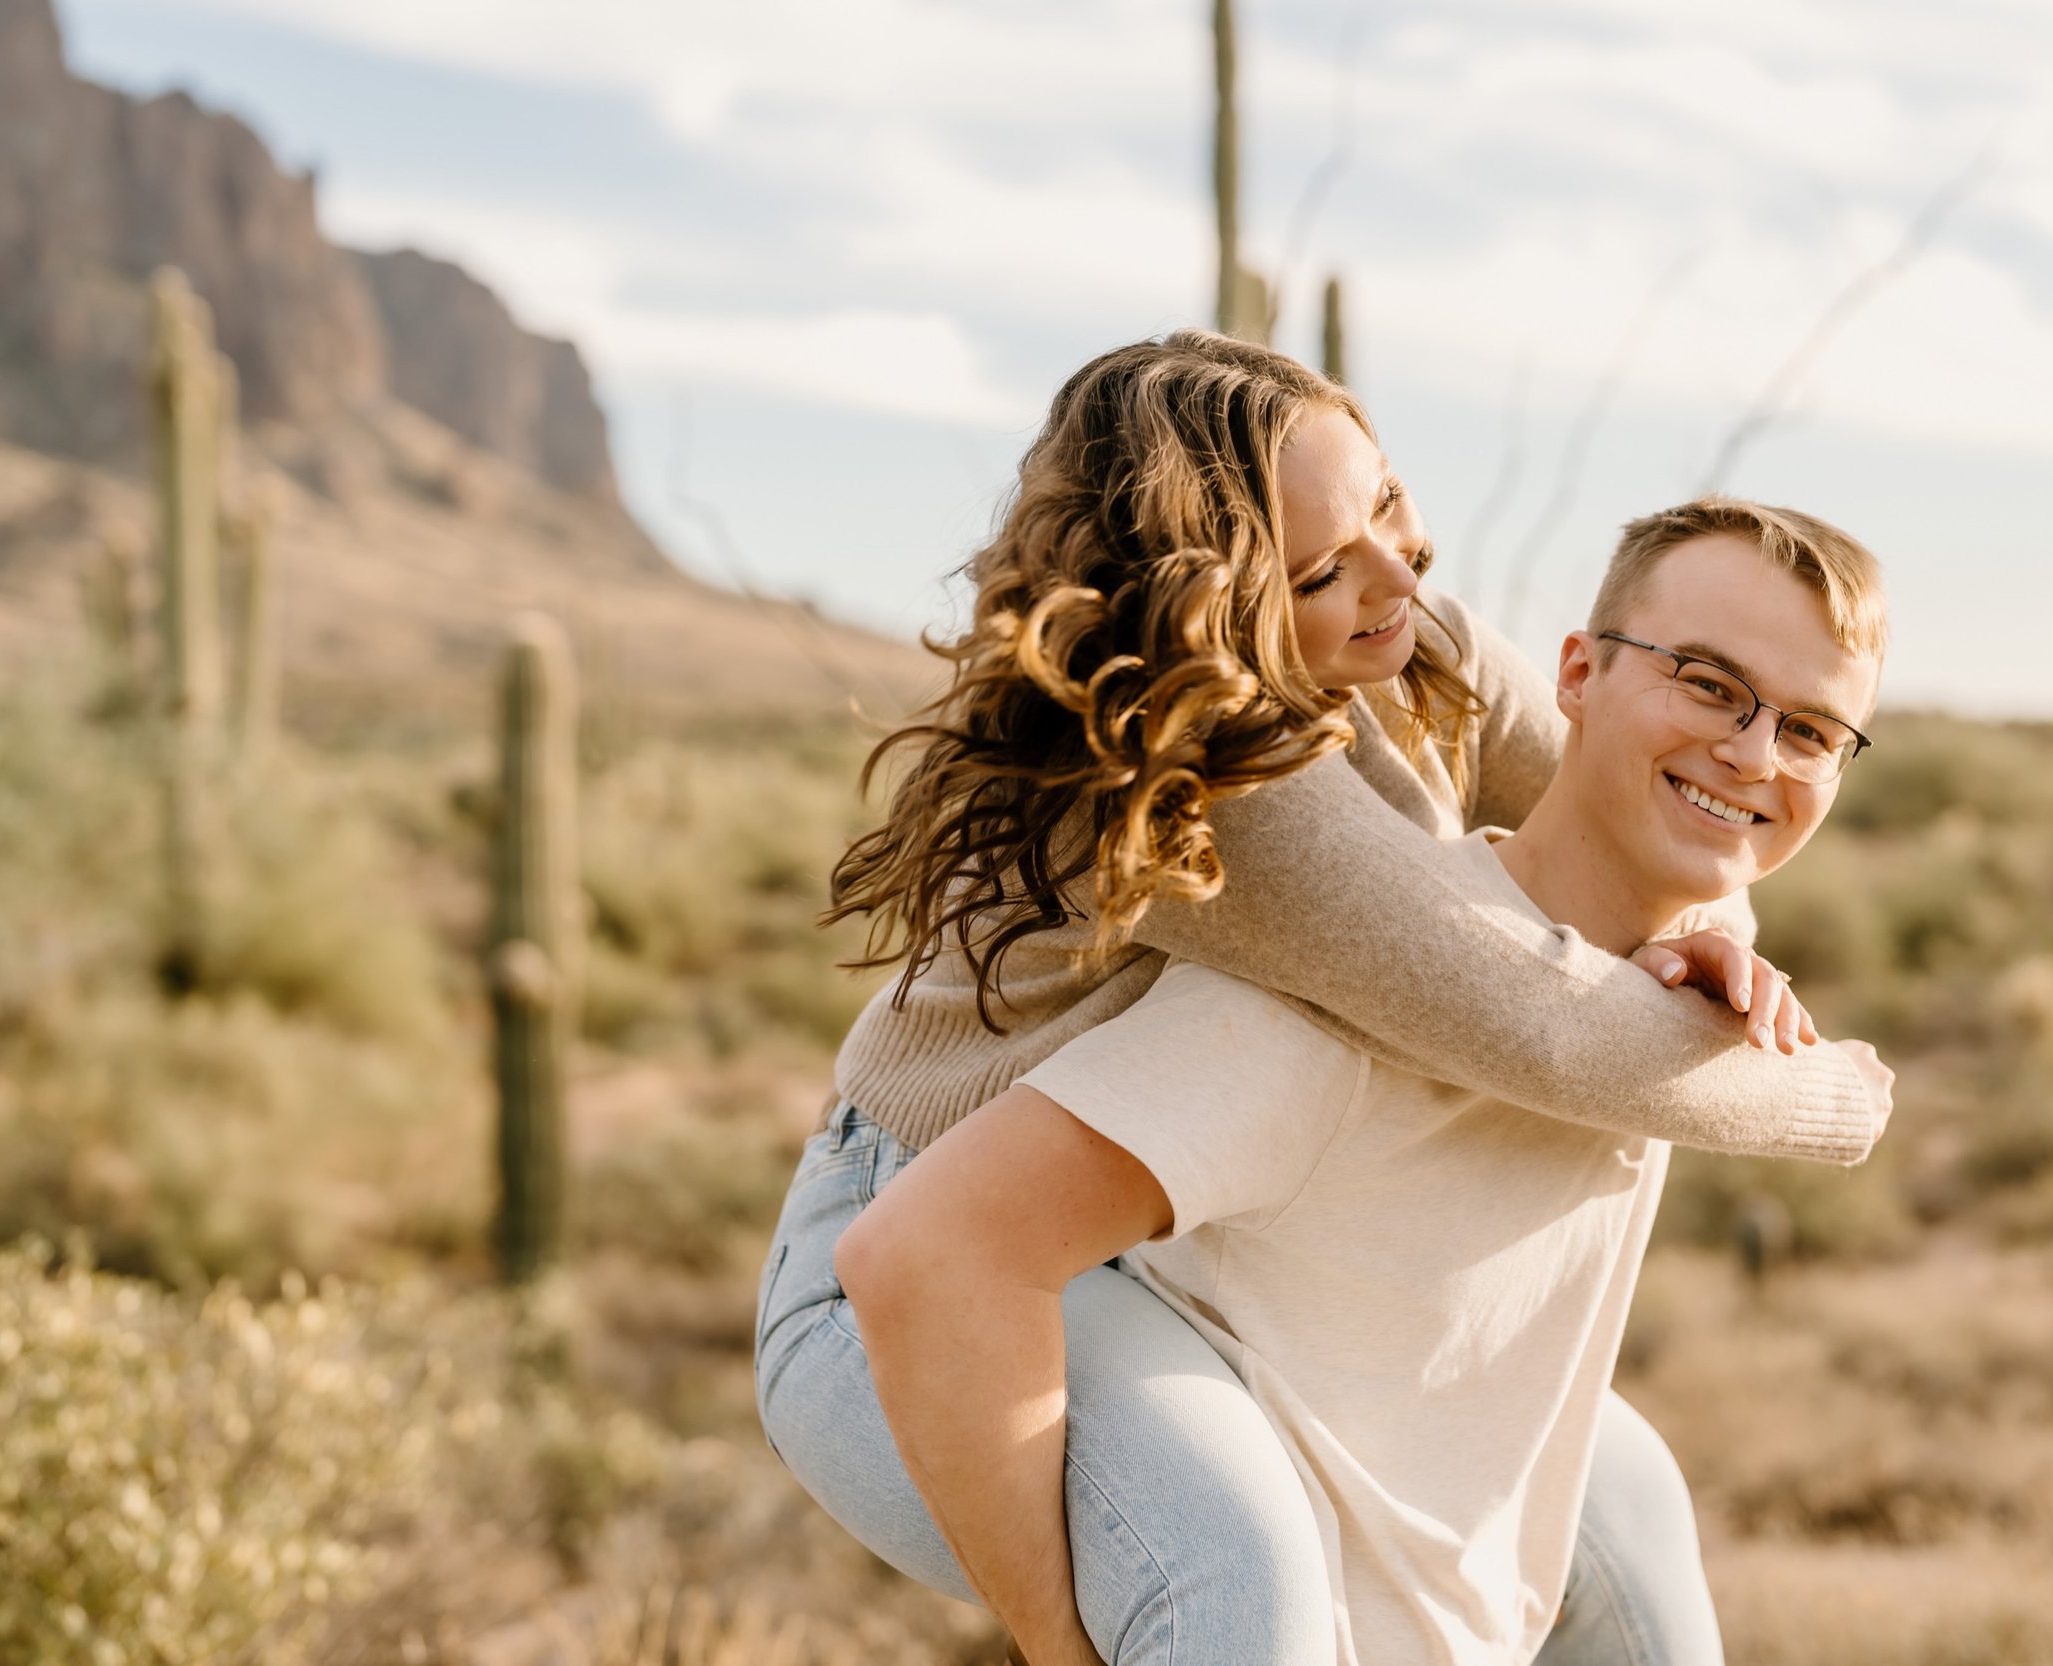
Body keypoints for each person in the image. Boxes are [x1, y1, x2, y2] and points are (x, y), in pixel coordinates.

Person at [755, 331, 1893, 1665]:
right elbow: (1534, 1018)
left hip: (1181, 1224)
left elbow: (1676, 807)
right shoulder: (1227, 784)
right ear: (1210, 612)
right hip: (925, 1249)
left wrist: (1714, 936)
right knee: (1232, 1577)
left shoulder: (1414, 641)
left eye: (1390, 508)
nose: (1395, 573)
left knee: (1619, 1506)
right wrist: (1833, 1090)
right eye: (1319, 569)